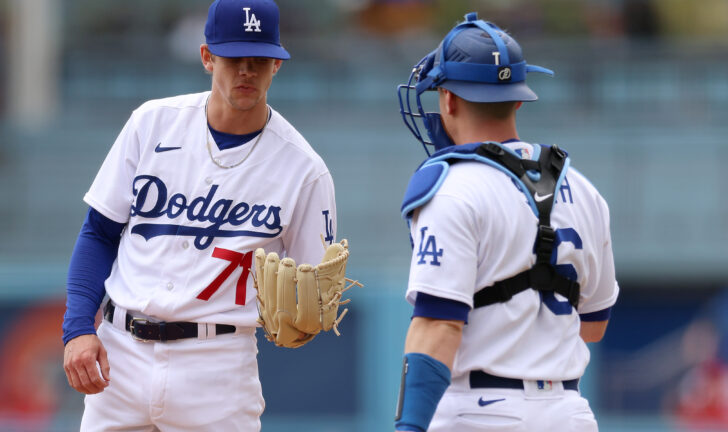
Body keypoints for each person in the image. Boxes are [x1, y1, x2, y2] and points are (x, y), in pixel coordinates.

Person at [61, 1, 338, 430]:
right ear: (207, 57)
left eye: (260, 59)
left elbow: (311, 289)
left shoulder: (303, 168)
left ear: (277, 66)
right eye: (233, 57)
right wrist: (78, 327)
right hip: (122, 353)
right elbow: (99, 232)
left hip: (218, 365)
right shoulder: (151, 124)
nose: (247, 70)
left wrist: (305, 316)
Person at [393, 12, 619, 432]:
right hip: (569, 414)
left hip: (478, 412)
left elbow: (438, 325)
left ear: (448, 99)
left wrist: (410, 427)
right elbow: (595, 324)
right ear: (518, 98)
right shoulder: (584, 189)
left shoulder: (451, 187)